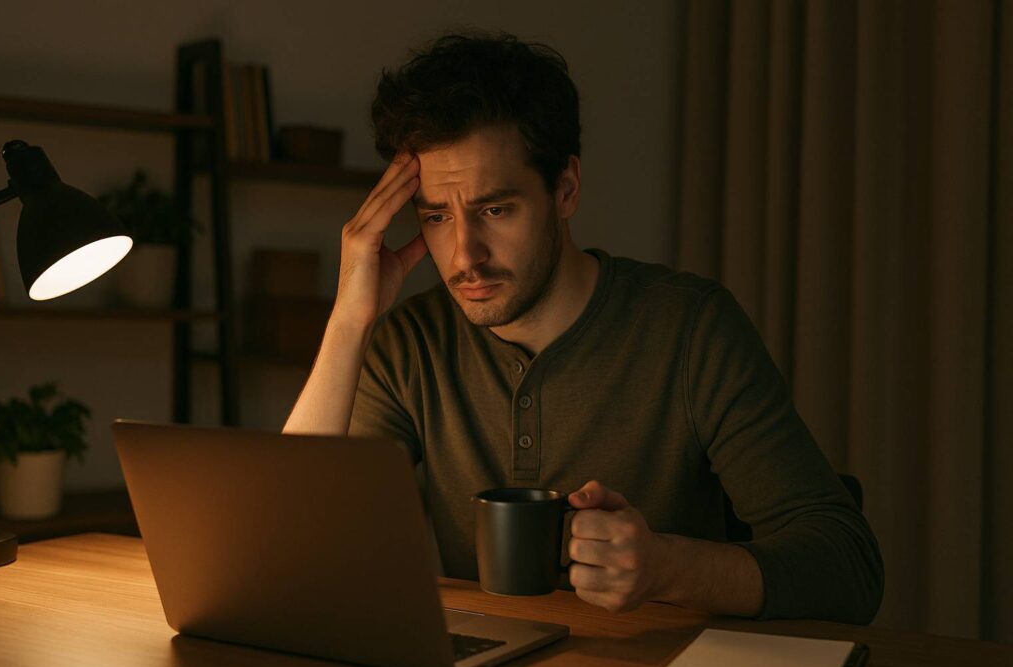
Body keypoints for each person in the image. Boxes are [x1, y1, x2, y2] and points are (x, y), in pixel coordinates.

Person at [283, 31, 884, 624]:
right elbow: (285, 545)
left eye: (495, 209)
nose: (464, 254)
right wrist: (349, 319)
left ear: (565, 189)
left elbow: (848, 565)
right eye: (437, 216)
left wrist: (668, 567)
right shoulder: (410, 345)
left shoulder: (691, 328)